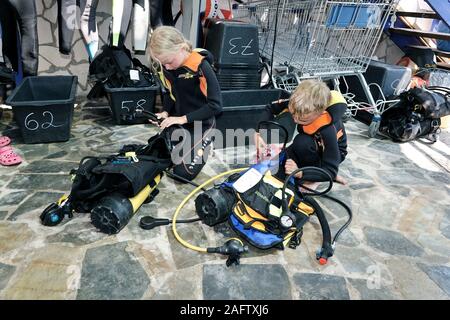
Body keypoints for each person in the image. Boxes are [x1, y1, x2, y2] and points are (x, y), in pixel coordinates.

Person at [147, 25, 222, 181]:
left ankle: (206, 142)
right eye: (163, 64)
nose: (167, 67)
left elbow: (216, 105)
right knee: (156, 155)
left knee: (181, 174)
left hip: (203, 124)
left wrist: (181, 119)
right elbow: (170, 94)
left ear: (181, 48)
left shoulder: (200, 66)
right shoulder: (168, 67)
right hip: (181, 122)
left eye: (169, 62)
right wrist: (166, 112)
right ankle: (187, 143)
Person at [256, 79, 348, 187]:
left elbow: (330, 170)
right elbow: (270, 107)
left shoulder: (327, 129)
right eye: (293, 114)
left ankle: (313, 179)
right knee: (277, 163)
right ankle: (314, 171)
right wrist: (258, 133)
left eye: (303, 120)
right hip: (312, 142)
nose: (295, 120)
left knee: (302, 142)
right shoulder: (299, 102)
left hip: (332, 152)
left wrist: (301, 173)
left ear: (319, 113)